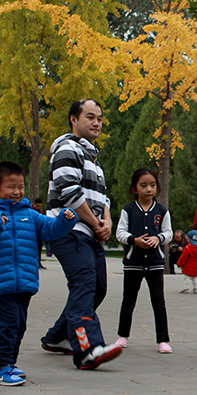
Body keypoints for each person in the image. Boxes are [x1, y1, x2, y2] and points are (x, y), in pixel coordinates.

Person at [0, 161, 77, 386]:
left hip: (25, 282)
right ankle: (0, 368)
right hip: (1, 283)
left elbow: (50, 229)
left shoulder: (29, 213)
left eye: (20, 187)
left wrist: (65, 220)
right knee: (8, 325)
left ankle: (10, 363)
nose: (17, 192)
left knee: (19, 325)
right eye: (10, 187)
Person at [40, 99, 123, 370]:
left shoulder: (93, 159)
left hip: (89, 231)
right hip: (69, 230)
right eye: (90, 117)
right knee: (85, 283)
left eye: (99, 118)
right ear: (74, 119)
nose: (96, 123)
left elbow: (103, 198)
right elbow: (69, 192)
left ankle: (56, 337)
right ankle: (88, 349)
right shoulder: (67, 148)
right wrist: (95, 223)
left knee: (97, 287)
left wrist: (107, 221)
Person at [115, 168, 173, 354]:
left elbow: (169, 233)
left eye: (152, 185)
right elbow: (120, 233)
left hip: (155, 264)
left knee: (158, 302)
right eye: (144, 185)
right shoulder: (128, 210)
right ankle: (123, 336)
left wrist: (158, 238)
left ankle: (163, 339)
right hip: (133, 263)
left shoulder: (162, 210)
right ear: (135, 188)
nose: (149, 189)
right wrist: (134, 240)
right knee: (128, 300)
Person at [32, 198, 47, 269]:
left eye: (40, 206)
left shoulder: (41, 211)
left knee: (39, 249)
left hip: (39, 233)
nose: (39, 207)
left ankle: (39, 263)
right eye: (37, 206)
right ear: (34, 205)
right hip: (33, 233)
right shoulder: (31, 211)